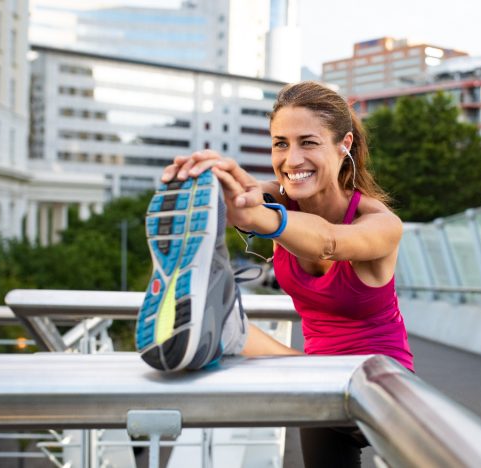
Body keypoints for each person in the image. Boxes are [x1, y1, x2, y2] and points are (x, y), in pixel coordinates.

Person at [135, 81, 414, 467]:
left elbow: (328, 242)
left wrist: (261, 218)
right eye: (280, 143)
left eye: (308, 142)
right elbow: (250, 194)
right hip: (316, 380)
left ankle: (228, 327)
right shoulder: (279, 200)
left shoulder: (381, 224)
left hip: (381, 385)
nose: (292, 159)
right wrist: (215, 185)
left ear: (344, 144)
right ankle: (224, 325)